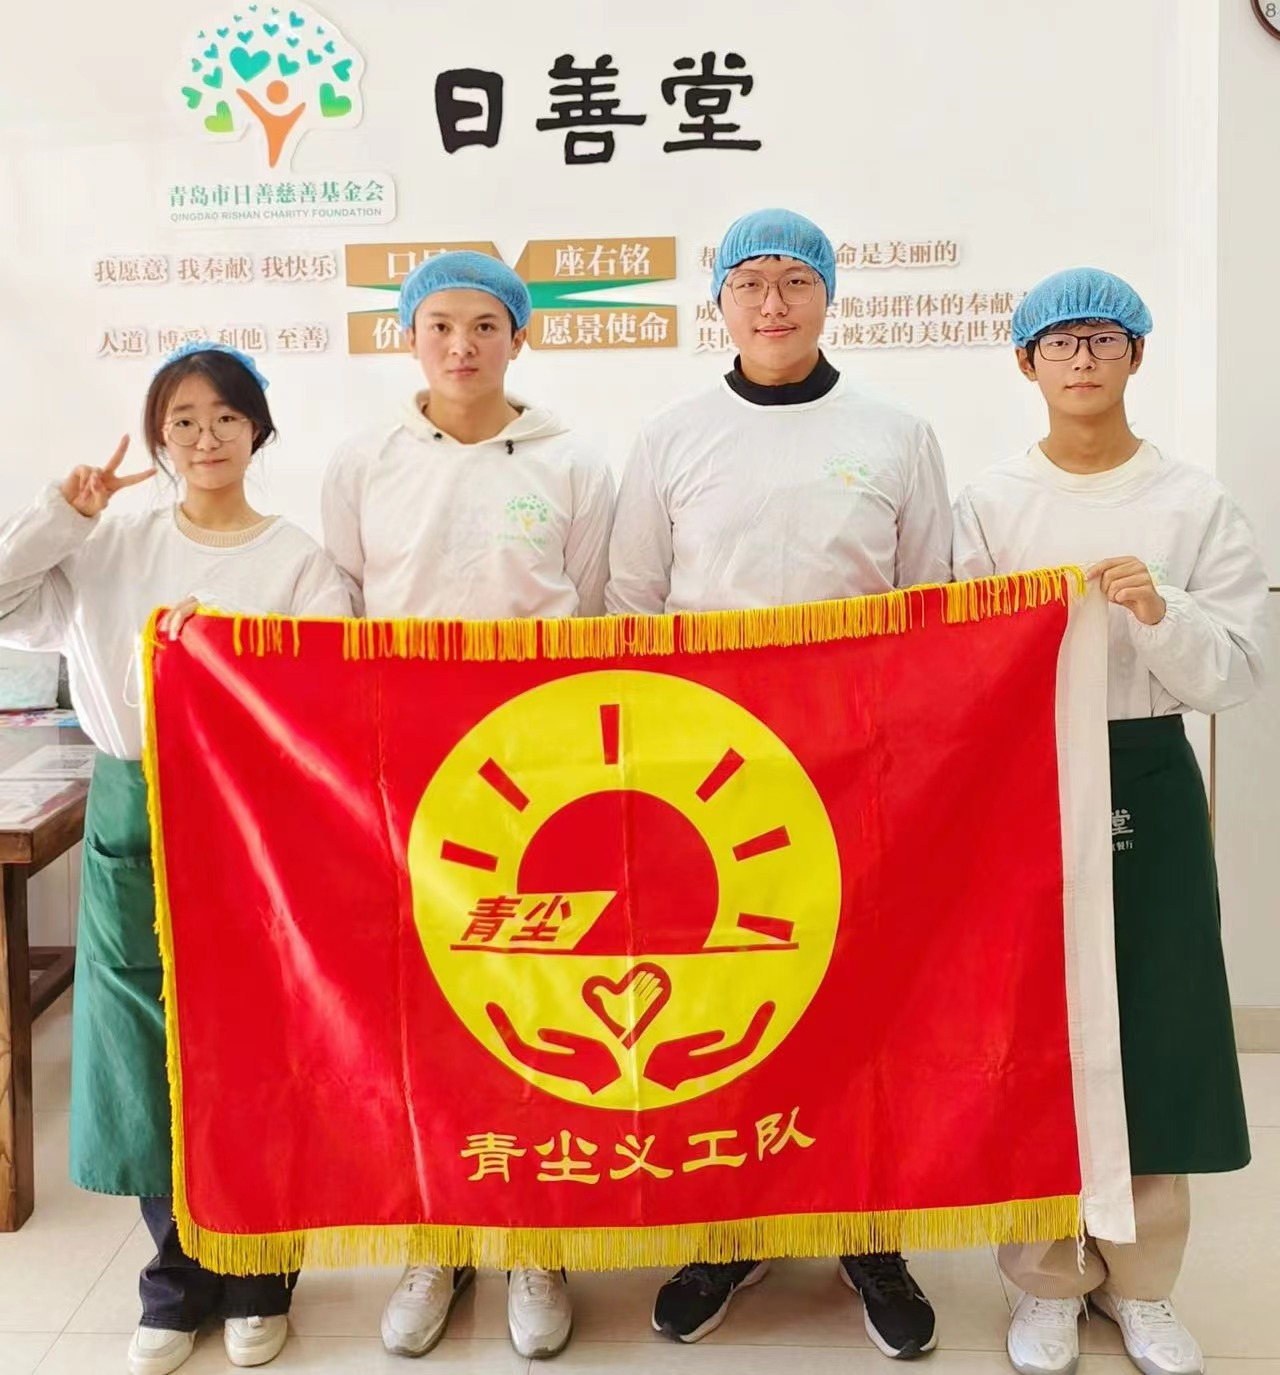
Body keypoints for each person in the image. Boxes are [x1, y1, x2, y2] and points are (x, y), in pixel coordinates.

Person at [606, 207, 951, 1360]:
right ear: (717, 301)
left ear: (826, 297)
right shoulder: (672, 437)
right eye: (748, 281)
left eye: (792, 281)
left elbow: (927, 604)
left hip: (855, 764)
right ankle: (726, 1227)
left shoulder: (893, 434)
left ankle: (866, 1230)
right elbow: (631, 606)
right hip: (710, 774)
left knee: (858, 997)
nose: (771, 302)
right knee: (722, 998)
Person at [0, 341, 353, 1375]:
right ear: (158, 438)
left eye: (226, 418)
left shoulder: (297, 560)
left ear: (259, 432)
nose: (206, 438)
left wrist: (227, 660)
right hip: (134, 803)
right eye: (184, 421)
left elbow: (326, 698)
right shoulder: (109, 544)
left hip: (251, 810)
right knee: (146, 1039)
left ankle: (261, 1271)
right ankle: (176, 1274)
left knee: (253, 1041)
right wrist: (61, 515)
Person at [952, 267, 1266, 1375]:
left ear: (1136, 355)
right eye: (1058, 342)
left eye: (1101, 339)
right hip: (1024, 776)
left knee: (1154, 1022)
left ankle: (1143, 1284)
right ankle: (1042, 1277)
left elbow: (1236, 674)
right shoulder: (989, 502)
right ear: (1024, 363)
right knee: (1033, 1021)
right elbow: (956, 661)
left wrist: (1158, 610)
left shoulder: (1191, 502)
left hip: (1147, 763)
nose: (1080, 359)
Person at [322, 250, 615, 1360]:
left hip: (537, 770)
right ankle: (433, 1236)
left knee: (531, 994)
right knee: (419, 1004)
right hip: (404, 771)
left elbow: (596, 608)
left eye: (485, 325)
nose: (461, 345)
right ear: (408, 337)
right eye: (439, 324)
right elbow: (341, 611)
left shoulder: (573, 460)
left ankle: (534, 1237)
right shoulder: (364, 462)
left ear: (518, 338)